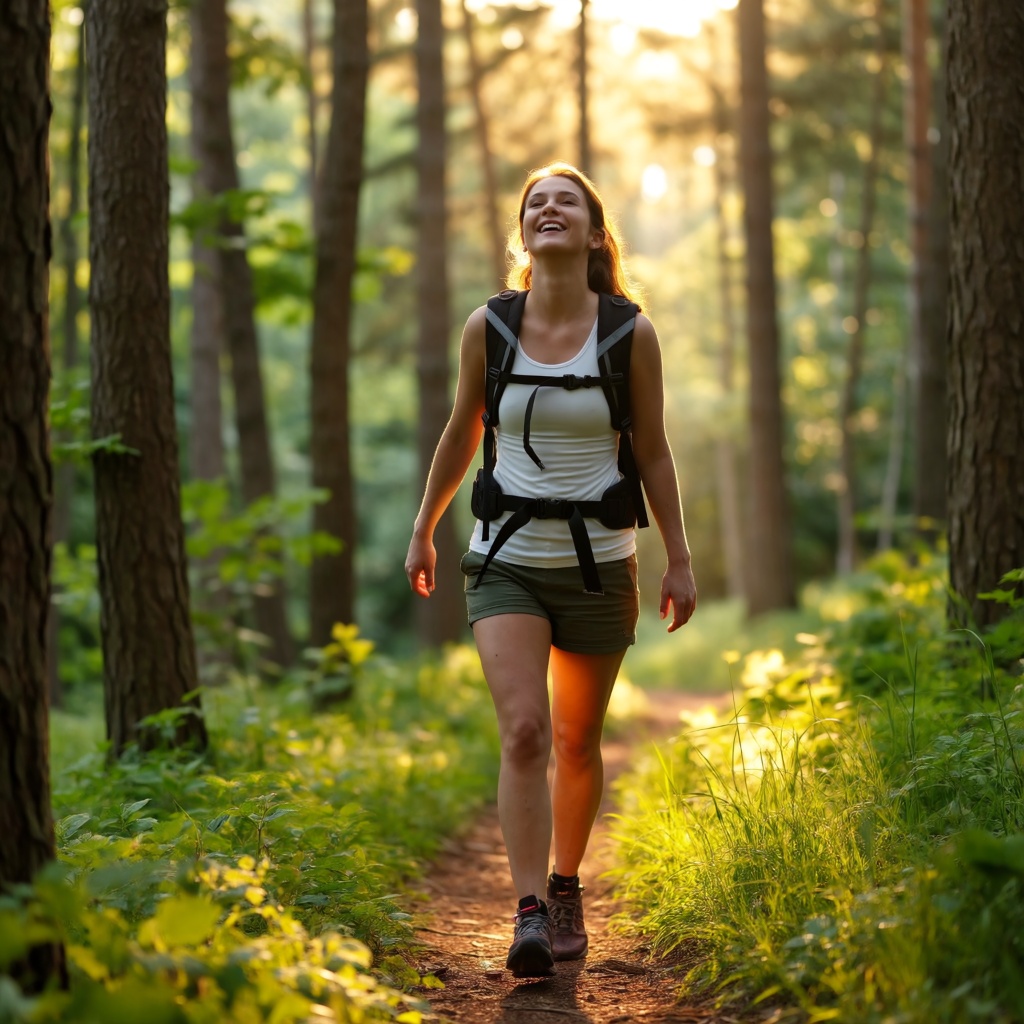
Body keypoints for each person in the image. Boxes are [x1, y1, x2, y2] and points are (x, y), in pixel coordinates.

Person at [405, 161, 696, 978]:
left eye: (566, 200)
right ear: (524, 234)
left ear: (596, 233)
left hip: (601, 566)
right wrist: (424, 529)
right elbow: (462, 431)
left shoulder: (628, 333)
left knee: (576, 737)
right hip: (505, 560)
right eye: (536, 203)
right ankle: (530, 909)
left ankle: (567, 880)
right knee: (526, 730)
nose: (549, 209)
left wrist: (679, 557)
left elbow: (654, 449)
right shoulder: (488, 328)